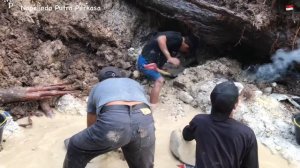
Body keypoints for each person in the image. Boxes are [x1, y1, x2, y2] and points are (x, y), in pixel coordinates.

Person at [63, 66, 155, 168]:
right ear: (120, 77)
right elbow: (145, 112)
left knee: (75, 146)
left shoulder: (98, 87)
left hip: (114, 119)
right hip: (145, 119)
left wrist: (104, 141)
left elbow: (91, 123)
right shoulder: (135, 84)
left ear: (101, 80)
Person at [182, 81, 259, 168]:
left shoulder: (199, 121)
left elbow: (186, 135)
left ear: (211, 101)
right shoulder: (247, 134)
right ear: (235, 105)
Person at [137, 31, 193, 105]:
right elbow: (160, 39)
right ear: (186, 46)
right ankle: (153, 105)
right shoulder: (177, 39)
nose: (183, 52)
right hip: (145, 63)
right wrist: (169, 57)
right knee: (160, 80)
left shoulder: (176, 36)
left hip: (147, 60)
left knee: (165, 71)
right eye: (185, 51)